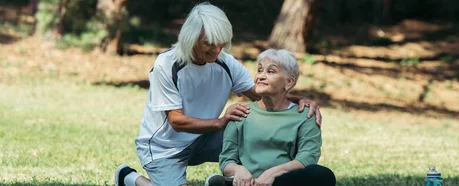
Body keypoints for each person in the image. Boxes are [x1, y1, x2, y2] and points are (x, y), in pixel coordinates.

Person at [114, 3, 322, 186]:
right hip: (164, 148)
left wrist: (298, 99)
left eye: (221, 43)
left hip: (206, 139)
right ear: (191, 38)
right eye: (208, 43)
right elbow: (176, 121)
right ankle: (132, 180)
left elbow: (260, 94)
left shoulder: (226, 63)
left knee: (258, 135)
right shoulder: (166, 66)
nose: (216, 50)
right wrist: (220, 122)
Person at [205, 49, 335, 186]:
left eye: (271, 71)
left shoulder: (305, 116)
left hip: (283, 182)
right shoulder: (240, 113)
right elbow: (226, 160)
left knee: (321, 174)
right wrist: (238, 170)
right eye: (260, 70)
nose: (260, 76)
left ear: (289, 82)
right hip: (247, 183)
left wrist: (273, 174)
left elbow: (307, 158)